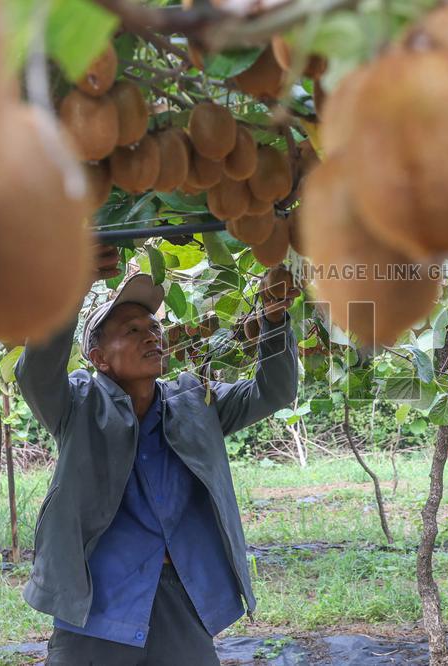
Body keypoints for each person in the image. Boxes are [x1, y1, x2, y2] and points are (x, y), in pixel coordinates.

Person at [15, 245, 299, 665]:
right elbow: (35, 371)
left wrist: (274, 316)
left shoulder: (195, 400)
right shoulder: (78, 403)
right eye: (131, 331)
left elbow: (273, 392)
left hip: (181, 596)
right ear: (98, 359)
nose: (151, 335)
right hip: (97, 606)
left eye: (152, 328)